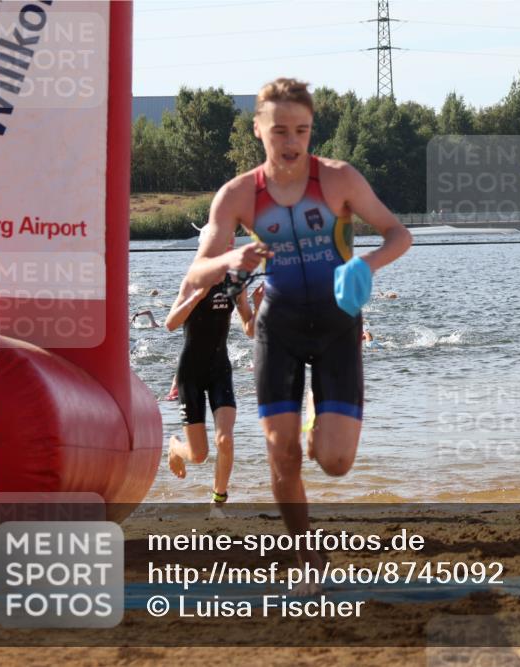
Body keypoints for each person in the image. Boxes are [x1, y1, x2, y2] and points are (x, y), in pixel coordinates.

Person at [184, 78, 411, 577]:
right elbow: (195, 274)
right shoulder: (238, 194)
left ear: (312, 132)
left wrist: (366, 265)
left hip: (337, 327)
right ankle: (308, 558)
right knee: (280, 457)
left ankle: (316, 425)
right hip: (278, 330)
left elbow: (399, 233)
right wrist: (229, 258)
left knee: (334, 462)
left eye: (302, 131)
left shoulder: (338, 179)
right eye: (280, 131)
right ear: (258, 130)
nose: (291, 143)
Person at [164, 270, 262, 517]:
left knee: (225, 440)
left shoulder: (236, 283)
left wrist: (258, 306)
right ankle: (175, 446)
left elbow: (250, 330)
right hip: (190, 373)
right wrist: (197, 296)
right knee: (198, 455)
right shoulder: (193, 280)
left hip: (220, 370)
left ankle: (217, 501)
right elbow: (171, 323)